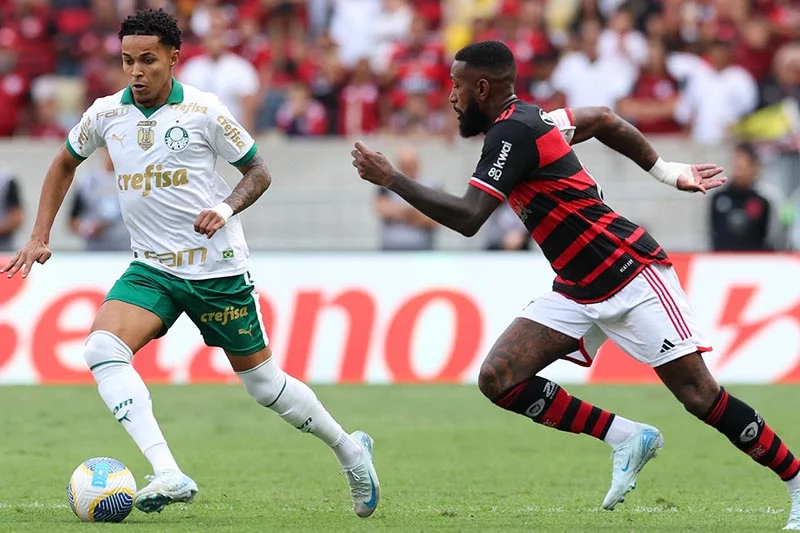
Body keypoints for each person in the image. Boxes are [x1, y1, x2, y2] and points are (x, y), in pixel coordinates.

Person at [351, 40, 800, 529]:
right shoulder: (534, 120)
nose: (451, 96)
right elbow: (603, 119)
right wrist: (667, 171)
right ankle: (626, 436)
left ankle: (796, 481)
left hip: (629, 272)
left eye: (456, 86)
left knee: (700, 397)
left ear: (481, 88)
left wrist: (392, 178)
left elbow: (468, 217)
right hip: (578, 286)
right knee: (499, 378)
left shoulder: (513, 132)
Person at [2, 9, 380, 519]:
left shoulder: (204, 111)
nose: (136, 71)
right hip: (153, 269)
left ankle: (350, 451)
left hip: (215, 270)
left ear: (174, 58)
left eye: (148, 60)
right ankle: (168, 472)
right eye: (127, 61)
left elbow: (258, 171)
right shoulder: (106, 114)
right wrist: (39, 235)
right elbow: (64, 162)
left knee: (265, 385)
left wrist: (224, 207)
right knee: (101, 348)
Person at [710, 143, 787, 251]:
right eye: (736, 167)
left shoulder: (766, 198)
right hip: (724, 258)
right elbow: (711, 232)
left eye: (742, 168)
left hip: (758, 259)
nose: (738, 173)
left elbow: (776, 234)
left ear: (754, 168)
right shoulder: (718, 196)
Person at [374, 145, 438, 251]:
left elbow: (435, 220)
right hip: (391, 252)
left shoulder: (433, 186)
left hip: (423, 251)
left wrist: (398, 212)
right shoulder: (385, 185)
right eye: (404, 165)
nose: (408, 169)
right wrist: (415, 214)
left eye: (410, 165)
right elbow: (382, 210)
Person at [68, 148, 131, 251]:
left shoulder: (134, 182)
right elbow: (72, 220)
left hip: (125, 251)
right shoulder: (87, 182)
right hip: (95, 252)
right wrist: (87, 229)